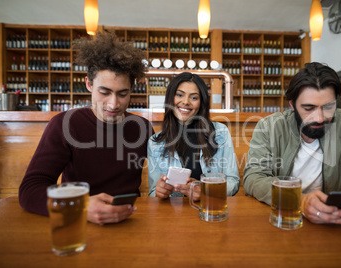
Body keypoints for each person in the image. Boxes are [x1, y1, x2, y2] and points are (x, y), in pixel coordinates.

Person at [19, 31, 154, 225]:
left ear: (132, 89)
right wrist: (78, 206)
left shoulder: (143, 128)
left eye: (122, 94)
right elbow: (30, 190)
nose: (113, 104)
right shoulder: (65, 125)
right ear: (89, 84)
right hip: (78, 222)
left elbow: (163, 175)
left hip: (130, 221)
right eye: (104, 92)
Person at [243, 62, 341, 228]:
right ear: (292, 105)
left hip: (337, 225)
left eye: (328, 107)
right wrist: (299, 200)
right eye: (309, 108)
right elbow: (255, 177)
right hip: (283, 219)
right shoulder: (269, 127)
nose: (319, 118)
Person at [148, 72, 240, 200]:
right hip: (174, 215)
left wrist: (206, 191)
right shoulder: (155, 142)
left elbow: (233, 181)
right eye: (179, 95)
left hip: (210, 210)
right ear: (170, 98)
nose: (185, 102)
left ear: (202, 102)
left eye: (194, 98)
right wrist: (159, 192)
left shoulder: (220, 132)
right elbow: (153, 192)